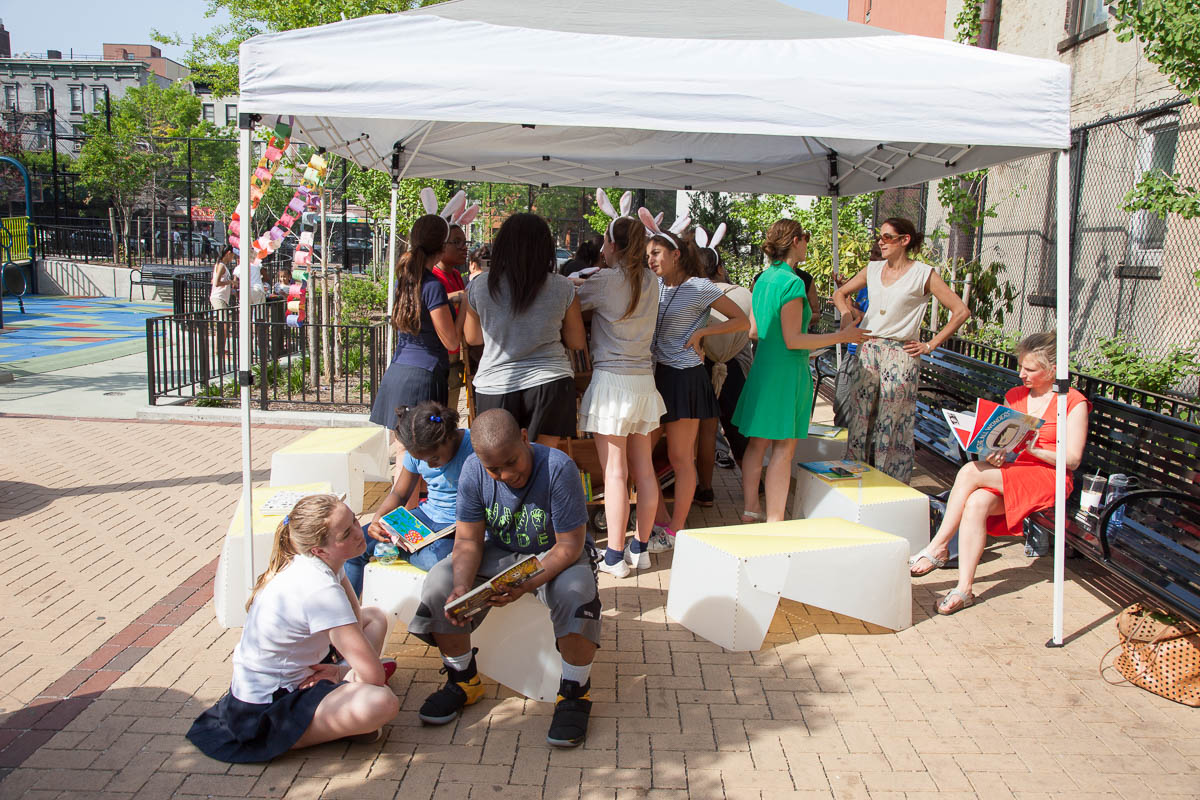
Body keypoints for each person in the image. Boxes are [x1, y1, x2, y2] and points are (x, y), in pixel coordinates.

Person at [407, 409, 600, 748]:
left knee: (578, 592)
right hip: (498, 553)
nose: (506, 474)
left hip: (555, 555)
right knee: (440, 584)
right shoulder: (471, 470)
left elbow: (570, 545)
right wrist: (462, 587)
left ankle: (574, 693)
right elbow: (467, 541)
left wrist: (524, 585)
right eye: (493, 469)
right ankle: (463, 680)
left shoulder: (558, 467)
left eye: (512, 462)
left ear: (525, 438)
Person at [186, 494, 399, 762]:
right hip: (267, 709)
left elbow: (355, 620)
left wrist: (342, 671)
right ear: (320, 550)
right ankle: (329, 727)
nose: (360, 532)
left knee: (376, 618)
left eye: (355, 521)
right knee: (382, 700)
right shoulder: (319, 588)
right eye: (346, 533)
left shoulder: (321, 562)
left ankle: (343, 714)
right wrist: (344, 673)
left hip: (302, 673)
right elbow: (375, 677)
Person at [909, 333, 1090, 614]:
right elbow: (1004, 440)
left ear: (1052, 370)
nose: (1022, 374)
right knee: (977, 502)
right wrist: (997, 450)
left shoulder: (1072, 401)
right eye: (1021, 367)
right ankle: (964, 589)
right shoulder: (1015, 396)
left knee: (970, 471)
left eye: (1030, 369)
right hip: (1018, 472)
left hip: (1050, 475)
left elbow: (1074, 460)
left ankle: (938, 546)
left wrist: (1035, 449)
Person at [733, 220, 871, 522]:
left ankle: (750, 510)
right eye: (806, 239)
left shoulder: (763, 279)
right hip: (787, 373)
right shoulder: (793, 283)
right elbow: (794, 340)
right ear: (796, 240)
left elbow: (754, 331)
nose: (808, 245)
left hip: (763, 368)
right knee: (783, 449)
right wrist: (840, 337)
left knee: (756, 443)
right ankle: (775, 520)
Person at [832, 217, 970, 483]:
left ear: (904, 240)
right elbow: (840, 294)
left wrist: (930, 345)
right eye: (879, 236)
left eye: (887, 237)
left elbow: (961, 311)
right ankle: (857, 477)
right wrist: (847, 316)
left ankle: (887, 482)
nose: (880, 242)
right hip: (868, 349)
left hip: (900, 353)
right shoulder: (872, 269)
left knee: (892, 421)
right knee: (861, 417)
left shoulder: (923, 273)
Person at [644, 210, 749, 538]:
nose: (651, 260)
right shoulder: (656, 285)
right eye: (648, 254)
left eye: (656, 253)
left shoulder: (700, 287)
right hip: (655, 376)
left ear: (676, 254)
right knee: (642, 456)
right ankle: (659, 517)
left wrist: (702, 335)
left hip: (685, 378)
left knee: (680, 457)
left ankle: (676, 527)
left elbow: (742, 321)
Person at [574, 215, 664, 577]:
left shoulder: (607, 281)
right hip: (644, 381)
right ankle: (639, 548)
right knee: (644, 471)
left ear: (613, 245)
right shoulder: (653, 280)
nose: (600, 249)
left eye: (605, 243)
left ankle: (612, 556)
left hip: (612, 382)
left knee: (614, 472)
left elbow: (571, 302)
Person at [464, 213, 586, 448]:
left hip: (496, 384)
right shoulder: (562, 287)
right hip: (550, 381)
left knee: (502, 464)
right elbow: (577, 342)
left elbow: (473, 338)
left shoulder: (479, 286)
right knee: (544, 462)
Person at [346, 402, 473, 595]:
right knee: (353, 546)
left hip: (459, 526)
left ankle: (400, 549)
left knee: (438, 562)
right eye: (423, 461)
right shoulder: (419, 448)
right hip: (426, 517)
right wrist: (379, 519)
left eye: (434, 459)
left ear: (448, 437)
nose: (429, 465)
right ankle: (347, 616)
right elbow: (400, 494)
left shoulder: (474, 448)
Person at [370, 214, 460, 476]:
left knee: (404, 453)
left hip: (398, 372)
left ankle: (402, 512)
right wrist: (464, 306)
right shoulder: (432, 286)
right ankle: (407, 511)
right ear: (442, 248)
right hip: (423, 376)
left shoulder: (404, 280)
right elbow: (451, 341)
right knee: (416, 458)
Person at [693, 230, 752, 508]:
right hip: (733, 370)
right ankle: (754, 485)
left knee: (707, 432)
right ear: (719, 267)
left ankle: (705, 489)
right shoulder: (742, 294)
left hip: (702, 366)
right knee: (739, 430)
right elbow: (753, 330)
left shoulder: (693, 293)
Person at [433, 224, 470, 412]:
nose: (464, 247)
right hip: (440, 353)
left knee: (451, 409)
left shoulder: (455, 274)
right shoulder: (432, 277)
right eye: (456, 242)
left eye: (465, 242)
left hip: (455, 354)